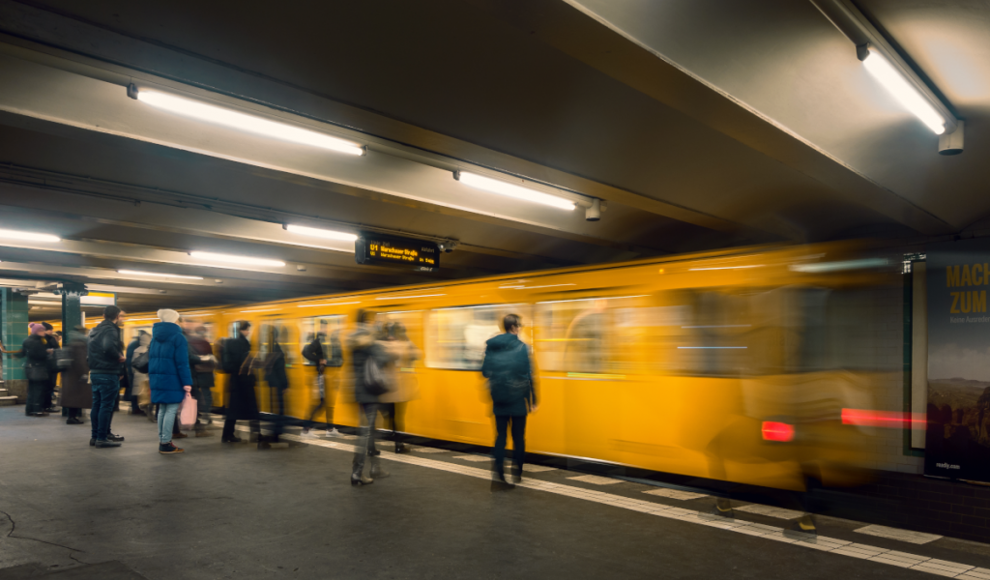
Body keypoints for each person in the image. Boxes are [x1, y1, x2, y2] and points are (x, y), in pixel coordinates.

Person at [481, 313, 537, 491]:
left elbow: (484, 372)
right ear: (514, 327)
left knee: (500, 437)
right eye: (519, 326)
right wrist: (533, 399)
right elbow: (530, 376)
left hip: (499, 398)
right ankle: (517, 473)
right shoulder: (523, 348)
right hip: (518, 398)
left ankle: (498, 477)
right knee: (519, 437)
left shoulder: (492, 346)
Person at [348, 310, 397, 486]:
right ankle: (357, 472)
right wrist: (386, 343)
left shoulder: (353, 337)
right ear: (367, 321)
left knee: (368, 430)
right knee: (366, 431)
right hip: (370, 390)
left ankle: (370, 469)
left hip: (359, 390)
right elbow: (385, 357)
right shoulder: (368, 339)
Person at [149, 309, 193, 455]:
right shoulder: (178, 337)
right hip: (173, 379)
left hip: (158, 378)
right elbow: (182, 362)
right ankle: (166, 443)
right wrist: (187, 382)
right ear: (174, 320)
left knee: (162, 409)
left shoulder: (154, 338)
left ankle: (163, 440)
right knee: (171, 410)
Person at [87, 305, 127, 448]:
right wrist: (119, 357)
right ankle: (102, 438)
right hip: (108, 372)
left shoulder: (94, 330)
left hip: (96, 372)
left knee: (97, 405)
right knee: (106, 406)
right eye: (121, 316)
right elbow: (108, 347)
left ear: (104, 315)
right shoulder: (110, 329)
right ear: (116, 316)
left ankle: (95, 436)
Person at [378, 322, 421, 453]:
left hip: (388, 385)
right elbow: (418, 354)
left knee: (391, 414)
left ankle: (392, 432)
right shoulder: (405, 344)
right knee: (399, 416)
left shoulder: (382, 345)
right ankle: (398, 443)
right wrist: (405, 369)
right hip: (402, 386)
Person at [221, 321, 262, 445]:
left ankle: (228, 435)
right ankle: (255, 434)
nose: (248, 332)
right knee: (251, 409)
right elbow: (238, 361)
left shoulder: (234, 343)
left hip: (238, 380)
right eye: (246, 330)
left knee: (234, 410)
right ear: (241, 330)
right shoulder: (239, 343)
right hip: (242, 380)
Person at [0, 323, 53, 416]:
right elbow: (38, 355)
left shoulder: (27, 340)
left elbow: (24, 353)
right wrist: (48, 353)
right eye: (42, 330)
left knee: (32, 390)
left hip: (30, 368)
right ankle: (37, 410)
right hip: (38, 368)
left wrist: (15, 355)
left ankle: (29, 410)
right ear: (37, 331)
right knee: (38, 390)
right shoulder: (38, 341)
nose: (44, 332)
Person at [301, 329, 342, 437]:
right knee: (320, 403)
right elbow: (305, 352)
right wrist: (318, 360)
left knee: (328, 403)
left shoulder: (329, 342)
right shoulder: (318, 341)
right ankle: (306, 429)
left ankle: (329, 429)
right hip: (321, 376)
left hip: (329, 376)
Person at [186, 325, 216, 434]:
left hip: (194, 373)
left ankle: (194, 418)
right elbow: (210, 358)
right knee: (206, 395)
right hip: (205, 372)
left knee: (193, 397)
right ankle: (206, 416)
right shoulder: (205, 343)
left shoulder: (189, 341)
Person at [59, 326, 92, 424]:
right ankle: (72, 417)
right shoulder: (81, 344)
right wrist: (84, 373)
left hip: (69, 375)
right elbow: (81, 361)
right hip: (77, 376)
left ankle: (72, 416)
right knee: (76, 397)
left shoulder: (71, 342)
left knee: (72, 397)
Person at [262, 325, 289, 446]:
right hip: (277, 383)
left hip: (271, 382)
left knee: (274, 408)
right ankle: (277, 432)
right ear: (277, 336)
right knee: (280, 408)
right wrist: (285, 385)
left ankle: (276, 431)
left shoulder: (269, 349)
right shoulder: (278, 351)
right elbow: (281, 370)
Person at [131, 331, 154, 421]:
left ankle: (141, 408)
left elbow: (133, 363)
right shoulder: (150, 350)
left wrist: (134, 373)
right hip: (147, 375)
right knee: (148, 394)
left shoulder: (136, 350)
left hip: (138, 374)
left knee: (141, 393)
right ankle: (148, 409)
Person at [124, 331, 146, 416]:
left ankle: (135, 407)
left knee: (134, 389)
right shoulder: (139, 346)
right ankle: (136, 408)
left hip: (131, 370)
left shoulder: (132, 344)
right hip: (136, 370)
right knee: (137, 389)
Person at [41, 322, 60, 413]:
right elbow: (57, 350)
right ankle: (47, 405)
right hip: (49, 367)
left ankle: (46, 404)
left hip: (48, 367)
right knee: (49, 386)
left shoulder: (47, 339)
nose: (52, 331)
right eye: (50, 330)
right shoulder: (47, 339)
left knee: (48, 386)